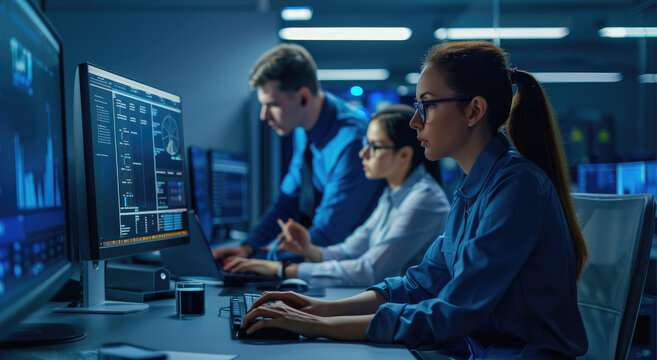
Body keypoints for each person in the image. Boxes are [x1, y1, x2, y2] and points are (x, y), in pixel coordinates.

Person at [240, 40, 589, 359]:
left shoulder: (516, 187)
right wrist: (316, 308)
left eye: (427, 105)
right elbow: (418, 284)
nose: (414, 121)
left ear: (473, 111)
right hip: (479, 350)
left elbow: (450, 315)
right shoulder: (474, 187)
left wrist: (314, 327)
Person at [223, 105, 450, 286]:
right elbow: (350, 251)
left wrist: (283, 270)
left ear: (404, 154)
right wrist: (307, 249)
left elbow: (370, 271)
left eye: (374, 146)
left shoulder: (424, 200)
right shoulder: (394, 193)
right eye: (365, 144)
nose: (363, 153)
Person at [213, 44, 384, 260]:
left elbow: (328, 233)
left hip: (351, 268)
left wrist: (262, 261)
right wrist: (248, 247)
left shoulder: (351, 143)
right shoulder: (303, 128)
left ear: (303, 96)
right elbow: (286, 202)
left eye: (272, 105)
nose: (264, 116)